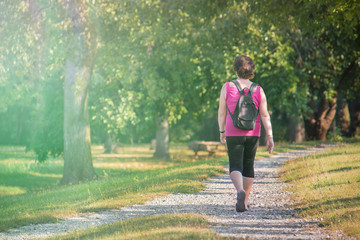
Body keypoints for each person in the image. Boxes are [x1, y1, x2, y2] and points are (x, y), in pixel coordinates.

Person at [218, 55, 274, 212]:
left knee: (235, 164)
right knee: (249, 165)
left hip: (232, 131)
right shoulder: (259, 89)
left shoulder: (227, 87)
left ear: (235, 70)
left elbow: (222, 113)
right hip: (253, 132)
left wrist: (222, 131)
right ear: (252, 70)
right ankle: (245, 202)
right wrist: (269, 136)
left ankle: (239, 191)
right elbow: (264, 115)